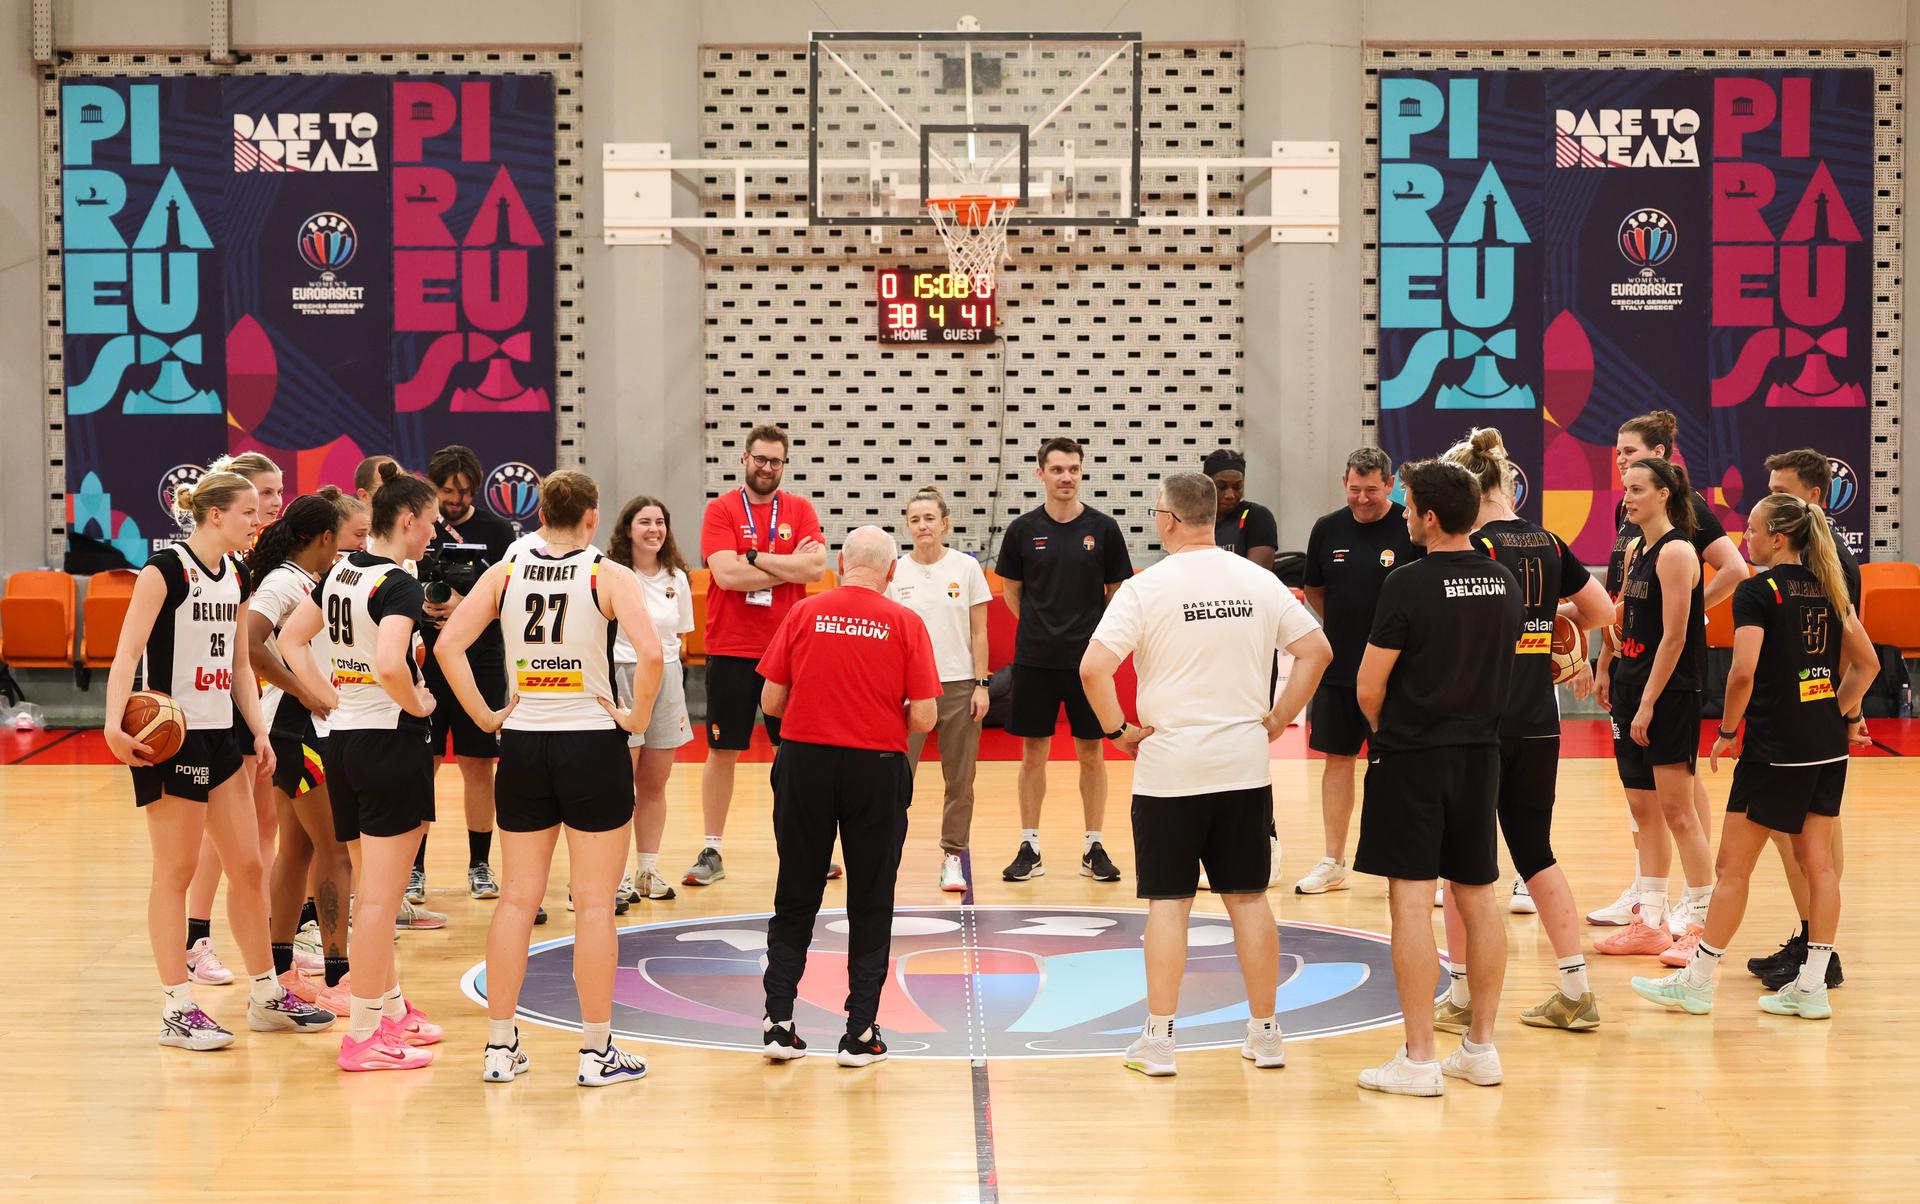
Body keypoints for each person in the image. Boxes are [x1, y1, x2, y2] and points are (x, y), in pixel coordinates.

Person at [1080, 472, 1332, 1077]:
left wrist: (1118, 733)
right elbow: (1317, 652)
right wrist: (1278, 718)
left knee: (1169, 905)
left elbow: (1093, 669)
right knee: (1248, 901)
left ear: (1167, 519)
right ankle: (1266, 1034)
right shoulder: (1258, 579)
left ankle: (1160, 1042)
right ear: (1212, 518)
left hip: (1170, 770)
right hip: (1243, 766)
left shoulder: (1147, 588)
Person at [436, 470, 665, 1086]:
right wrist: (637, 717)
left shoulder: (506, 571)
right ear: (592, 519)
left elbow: (447, 646)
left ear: (539, 516)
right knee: (593, 906)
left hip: (526, 744)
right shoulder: (605, 574)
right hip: (592, 743)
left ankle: (499, 1047)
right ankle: (595, 1054)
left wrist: (485, 717)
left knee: (516, 899)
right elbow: (650, 653)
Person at [103, 470, 334, 1051]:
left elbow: (237, 666)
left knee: (250, 866)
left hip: (224, 735)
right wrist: (111, 723)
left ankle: (264, 996)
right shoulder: (166, 571)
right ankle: (177, 1008)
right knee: (175, 874)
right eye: (247, 513)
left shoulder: (234, 573)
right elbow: (128, 649)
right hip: (172, 741)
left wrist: (258, 730)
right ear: (213, 516)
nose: (258, 522)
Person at [1631, 494, 1876, 1020]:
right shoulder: (1831, 589)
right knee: (1818, 866)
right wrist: (1836, 710)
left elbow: (1742, 673)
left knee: (1731, 868)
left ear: (1779, 538)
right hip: (1827, 751)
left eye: (1753, 529)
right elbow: (1869, 664)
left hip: (1773, 752)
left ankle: (1697, 982)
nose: (1745, 537)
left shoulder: (1757, 591)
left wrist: (1726, 729)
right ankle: (1811, 985)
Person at [1438, 429, 1616, 1033]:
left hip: (1480, 719)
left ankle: (1461, 995)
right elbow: (1603, 613)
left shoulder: (1474, 546)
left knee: (1462, 862)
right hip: (1540, 719)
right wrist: (1552, 617)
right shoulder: (1548, 541)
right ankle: (1575, 988)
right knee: (1535, 852)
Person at [1353, 460, 1522, 1096]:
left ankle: (1420, 1057)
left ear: (1429, 516)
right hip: (1481, 754)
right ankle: (1480, 1048)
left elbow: (1370, 686)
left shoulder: (1407, 583)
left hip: (1414, 757)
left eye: (1408, 506)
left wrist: (1389, 732)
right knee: (1478, 894)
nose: (1401, 514)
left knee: (1410, 902)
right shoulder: (1503, 580)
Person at [280, 465, 446, 1071]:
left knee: (374, 889)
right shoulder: (398, 584)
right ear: (407, 521)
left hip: (343, 743)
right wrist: (416, 701)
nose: (431, 535)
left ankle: (394, 1009)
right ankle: (366, 1035)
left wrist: (326, 695)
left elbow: (293, 640)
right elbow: (390, 662)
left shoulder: (341, 571)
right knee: (378, 900)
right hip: (389, 743)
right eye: (429, 524)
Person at [756, 527, 939, 1067]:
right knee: (871, 899)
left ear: (840, 562)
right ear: (891, 571)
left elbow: (771, 698)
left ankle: (779, 1023)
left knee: (796, 892)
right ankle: (859, 1033)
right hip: (877, 767)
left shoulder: (805, 613)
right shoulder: (906, 622)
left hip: (804, 762)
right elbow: (926, 716)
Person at [1588, 411, 1746, 931]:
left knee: (1678, 796)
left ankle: (1696, 901)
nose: (1620, 463)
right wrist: (1605, 657)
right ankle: (1647, 897)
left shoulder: (1684, 519)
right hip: (1632, 667)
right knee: (1645, 800)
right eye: (1617, 455)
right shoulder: (1631, 526)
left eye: (1631, 454)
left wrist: (1692, 613)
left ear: (1661, 458)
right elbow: (1619, 601)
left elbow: (1737, 570)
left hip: (1669, 677)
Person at [691, 423, 828, 885]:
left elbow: (815, 566)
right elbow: (726, 576)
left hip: (787, 650)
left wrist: (752, 557)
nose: (767, 467)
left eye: (776, 461)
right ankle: (712, 850)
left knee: (792, 753)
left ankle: (803, 845)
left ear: (784, 465)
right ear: (744, 459)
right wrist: (781, 567)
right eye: (760, 459)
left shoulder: (800, 509)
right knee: (722, 750)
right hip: (730, 648)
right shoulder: (721, 509)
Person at [1744, 449, 1860, 990]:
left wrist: (1842, 711)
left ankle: (1820, 954)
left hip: (1803, 731)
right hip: (1812, 726)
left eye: (1782, 491)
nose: (1771, 498)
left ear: (1813, 499)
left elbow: (1843, 647)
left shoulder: (1822, 561)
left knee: (1809, 847)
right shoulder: (1808, 557)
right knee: (1806, 845)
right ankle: (1815, 948)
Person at [995, 436, 1134, 884]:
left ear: (1081, 471)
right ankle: (1029, 846)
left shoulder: (1104, 529)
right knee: (1032, 753)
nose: (1066, 477)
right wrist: (1038, 627)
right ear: (1041, 474)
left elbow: (1118, 593)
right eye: (1057, 469)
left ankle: (1094, 845)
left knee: (1091, 752)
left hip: (1086, 663)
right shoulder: (1021, 530)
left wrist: (1090, 637)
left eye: (1073, 468)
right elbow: (1011, 591)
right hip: (1034, 659)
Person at [1593, 457, 1714, 962]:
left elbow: (1675, 636)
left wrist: (1647, 704)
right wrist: (1605, 663)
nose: (1628, 498)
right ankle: (1650, 920)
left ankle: (1701, 927)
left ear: (1665, 493)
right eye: (1626, 489)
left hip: (1669, 695)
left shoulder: (1678, 551)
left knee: (1678, 812)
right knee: (1643, 811)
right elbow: (1623, 614)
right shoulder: (1634, 549)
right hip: (1630, 685)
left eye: (1638, 489)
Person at [246, 494, 358, 1017]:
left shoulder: (316, 582)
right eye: (348, 534)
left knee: (297, 850)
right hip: (299, 731)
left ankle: (281, 967)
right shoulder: (285, 581)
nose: (353, 543)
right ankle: (339, 977)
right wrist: (304, 692)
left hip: (296, 731)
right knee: (335, 851)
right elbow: (247, 643)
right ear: (322, 538)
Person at [1295, 447, 1421, 895]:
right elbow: (1315, 588)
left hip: (1400, 675)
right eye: (1354, 490)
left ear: (1390, 485)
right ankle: (1333, 860)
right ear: (1342, 483)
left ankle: (1406, 863)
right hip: (1339, 668)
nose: (1363, 499)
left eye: (1372, 489)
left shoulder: (1413, 526)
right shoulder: (1327, 529)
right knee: (1337, 761)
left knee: (1400, 769)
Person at [182, 450, 285, 986]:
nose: (273, 502)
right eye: (264, 493)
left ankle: (265, 936)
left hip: (251, 697)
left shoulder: (259, 551)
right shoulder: (220, 554)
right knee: (219, 836)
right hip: (217, 701)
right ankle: (196, 938)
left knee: (262, 828)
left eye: (276, 491)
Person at [417, 445, 517, 908]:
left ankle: (480, 863)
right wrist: (423, 604)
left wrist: (465, 609)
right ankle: (414, 867)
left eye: (462, 491)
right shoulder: (417, 527)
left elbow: (508, 599)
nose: (454, 499)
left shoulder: (497, 531)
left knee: (480, 767)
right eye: (445, 491)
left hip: (482, 659)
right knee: (425, 764)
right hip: (426, 661)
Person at [888, 486, 993, 894]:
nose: (922, 526)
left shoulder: (966, 568)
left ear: (945, 523)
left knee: (959, 780)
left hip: (959, 685)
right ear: (907, 526)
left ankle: (953, 856)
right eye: (915, 519)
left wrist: (981, 684)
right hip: (909, 690)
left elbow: (980, 630)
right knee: (896, 777)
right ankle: (887, 853)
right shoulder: (896, 571)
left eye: (929, 518)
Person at [606, 495, 696, 902]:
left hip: (667, 677)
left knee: (655, 784)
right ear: (628, 529)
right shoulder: (612, 574)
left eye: (660, 522)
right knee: (620, 782)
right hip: (623, 676)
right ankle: (616, 874)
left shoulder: (678, 578)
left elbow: (679, 637)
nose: (654, 529)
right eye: (645, 522)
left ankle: (647, 869)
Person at [1203, 448, 1286, 885]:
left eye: (1237, 484)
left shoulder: (1259, 517)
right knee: (1210, 744)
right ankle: (1213, 844)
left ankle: (1266, 838)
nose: (1232, 493)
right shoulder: (1196, 518)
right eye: (1222, 486)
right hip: (1204, 648)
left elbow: (1258, 578)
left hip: (1250, 648)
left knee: (1251, 743)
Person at [1204, 448, 1278, 570]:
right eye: (1221, 487)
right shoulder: (1193, 519)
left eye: (1237, 487)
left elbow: (1256, 576)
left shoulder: (1257, 516)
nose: (1230, 495)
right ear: (1207, 485)